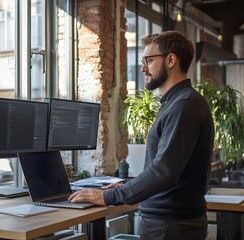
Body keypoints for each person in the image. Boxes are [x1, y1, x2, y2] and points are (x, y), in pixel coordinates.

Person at [69, 31, 214, 240]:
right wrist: (128, 186)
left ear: (171, 60)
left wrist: (108, 196)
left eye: (148, 60)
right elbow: (168, 168)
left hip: (170, 226)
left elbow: (164, 172)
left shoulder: (184, 105)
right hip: (170, 223)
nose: (143, 68)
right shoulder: (178, 102)